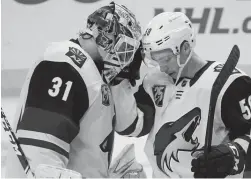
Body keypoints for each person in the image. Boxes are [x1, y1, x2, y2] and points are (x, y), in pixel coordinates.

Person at [5, 2, 147, 178]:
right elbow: (41, 152)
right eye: (125, 49)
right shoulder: (64, 64)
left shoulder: (92, 71)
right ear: (107, 38)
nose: (126, 60)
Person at [131, 11, 251, 178]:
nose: (162, 67)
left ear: (186, 47)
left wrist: (233, 154)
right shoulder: (154, 80)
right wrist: (121, 83)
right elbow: (132, 128)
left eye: (166, 59)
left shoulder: (231, 84)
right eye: (156, 60)